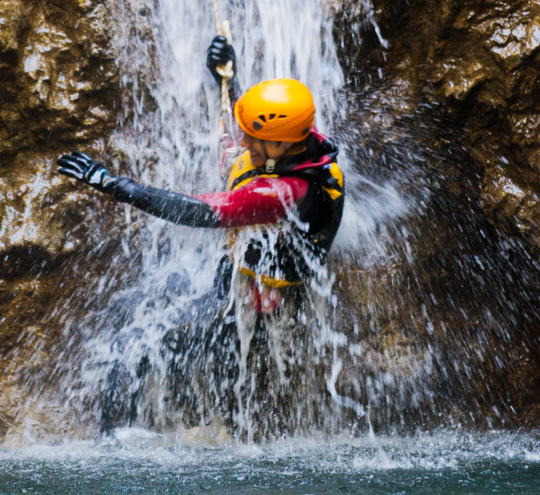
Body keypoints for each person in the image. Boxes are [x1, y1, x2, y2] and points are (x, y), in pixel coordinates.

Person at [56, 36, 344, 436]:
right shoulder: (299, 141)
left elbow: (199, 211)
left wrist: (113, 184)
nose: (243, 142)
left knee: (134, 343)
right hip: (240, 276)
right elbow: (261, 126)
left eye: (253, 139)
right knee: (132, 302)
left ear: (282, 144)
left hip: (255, 305)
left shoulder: (284, 194)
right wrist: (227, 77)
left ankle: (112, 448)